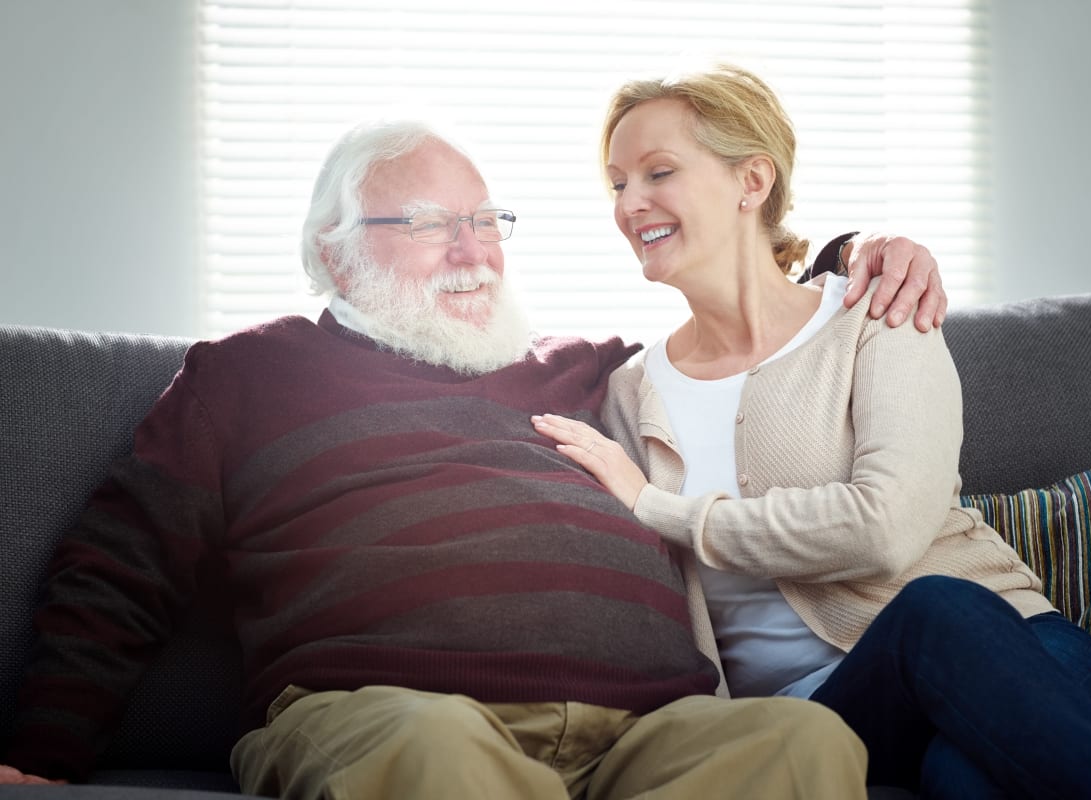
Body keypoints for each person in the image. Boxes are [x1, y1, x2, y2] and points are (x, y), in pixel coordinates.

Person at [0, 117, 945, 798]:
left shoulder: (591, 373)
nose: (473, 251)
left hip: (652, 731)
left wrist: (858, 255)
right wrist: (44, 755)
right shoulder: (247, 373)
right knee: (434, 747)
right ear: (333, 258)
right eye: (425, 223)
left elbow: (749, 329)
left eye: (487, 221)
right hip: (392, 717)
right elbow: (120, 564)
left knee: (801, 742)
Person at [532, 63, 1091, 799]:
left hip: (1016, 654)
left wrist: (663, 509)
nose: (630, 204)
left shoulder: (879, 315)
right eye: (618, 183)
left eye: (658, 172)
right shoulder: (628, 394)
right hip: (827, 716)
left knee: (960, 760)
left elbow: (886, 528)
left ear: (753, 182)